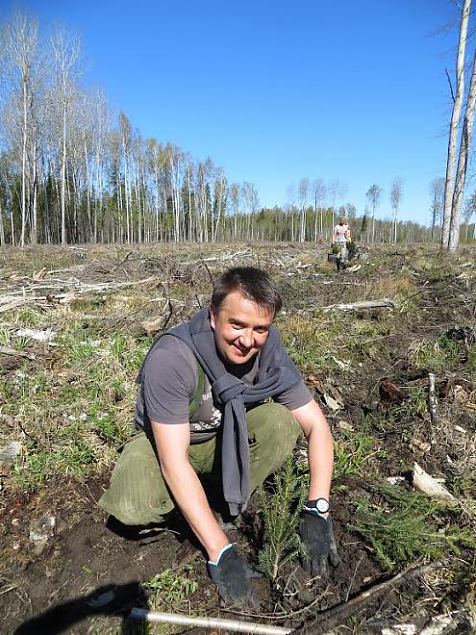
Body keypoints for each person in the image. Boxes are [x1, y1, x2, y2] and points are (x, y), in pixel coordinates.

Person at [99, 267, 338, 604]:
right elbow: (173, 461)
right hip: (166, 446)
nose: (247, 340)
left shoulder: (268, 350)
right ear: (213, 316)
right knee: (131, 504)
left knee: (281, 421)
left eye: (260, 329)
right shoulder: (173, 357)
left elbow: (317, 427)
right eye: (236, 325)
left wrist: (318, 508)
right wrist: (220, 551)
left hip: (222, 437)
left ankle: (217, 498)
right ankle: (191, 514)